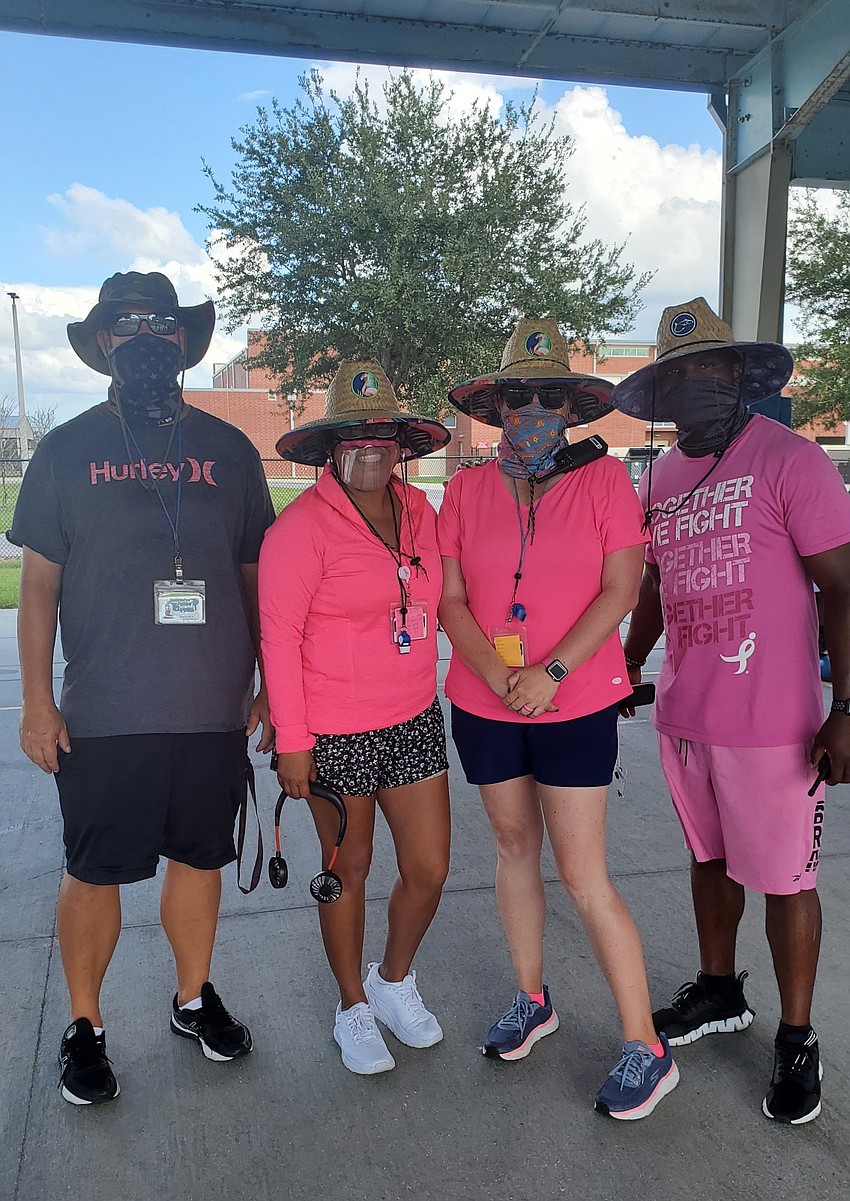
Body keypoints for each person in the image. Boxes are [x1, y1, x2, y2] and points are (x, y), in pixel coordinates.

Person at [9, 271, 275, 1105]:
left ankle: (192, 998)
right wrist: (37, 701)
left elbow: (255, 575)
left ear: (182, 341)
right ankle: (84, 1024)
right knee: (95, 870)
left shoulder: (230, 450)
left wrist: (271, 684)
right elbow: (39, 586)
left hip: (211, 709)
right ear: (103, 346)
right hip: (104, 711)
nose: (144, 340)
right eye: (126, 329)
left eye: (160, 326)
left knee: (198, 859)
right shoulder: (66, 448)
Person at [614, 297, 850, 1125]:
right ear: (663, 393)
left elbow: (843, 589)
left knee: (788, 878)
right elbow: (654, 583)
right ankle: (718, 990)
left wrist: (845, 706)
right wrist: (631, 659)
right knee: (709, 859)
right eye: (680, 375)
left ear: (740, 374)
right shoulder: (663, 474)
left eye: (711, 369)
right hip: (688, 716)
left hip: (777, 723)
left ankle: (796, 1035)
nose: (697, 386)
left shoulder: (791, 461)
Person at [437, 319, 679, 1120]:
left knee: (583, 872)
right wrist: (502, 675)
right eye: (517, 396)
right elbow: (451, 599)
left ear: (572, 407)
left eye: (548, 397)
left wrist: (551, 672)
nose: (531, 409)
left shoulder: (606, 482)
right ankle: (531, 997)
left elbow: (621, 589)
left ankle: (647, 1043)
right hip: (485, 698)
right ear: (498, 404)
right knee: (512, 847)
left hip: (573, 699)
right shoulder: (469, 487)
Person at [259, 360, 452, 1076]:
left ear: (400, 443)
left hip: (411, 717)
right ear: (332, 447)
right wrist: (294, 742)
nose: (369, 450)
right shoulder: (300, 529)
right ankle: (352, 1005)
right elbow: (276, 637)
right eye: (355, 437)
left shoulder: (422, 513)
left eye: (382, 437)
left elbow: (441, 597)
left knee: (429, 867)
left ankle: (392, 979)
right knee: (350, 865)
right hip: (332, 728)